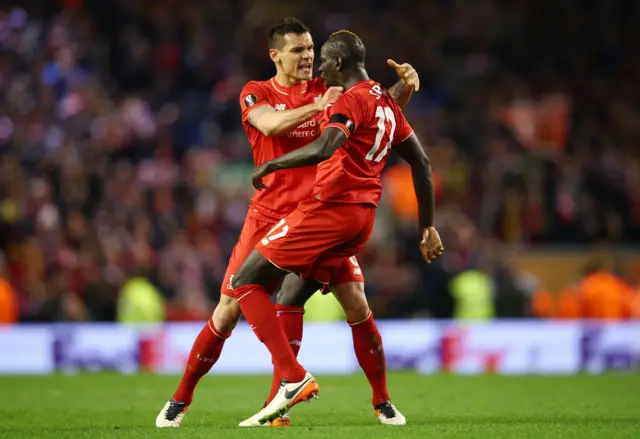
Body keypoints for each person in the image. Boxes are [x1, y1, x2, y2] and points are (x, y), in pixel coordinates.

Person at [156, 18, 419, 428]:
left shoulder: (328, 88)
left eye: (311, 48)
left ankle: (378, 400)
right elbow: (269, 124)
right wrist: (317, 106)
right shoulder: (256, 92)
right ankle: (181, 398)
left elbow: (372, 114)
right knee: (227, 309)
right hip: (267, 217)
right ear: (275, 55)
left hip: (319, 214)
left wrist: (404, 88)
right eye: (298, 50)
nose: (308, 56)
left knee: (356, 301)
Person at [230, 29, 443, 427]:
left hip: (328, 211)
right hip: (362, 217)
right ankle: (379, 403)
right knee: (317, 295)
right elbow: (422, 163)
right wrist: (427, 226)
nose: (319, 68)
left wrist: (274, 163)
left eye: (324, 61)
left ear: (339, 64)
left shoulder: (349, 99)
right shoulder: (381, 99)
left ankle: (291, 379)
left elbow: (327, 145)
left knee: (244, 282)